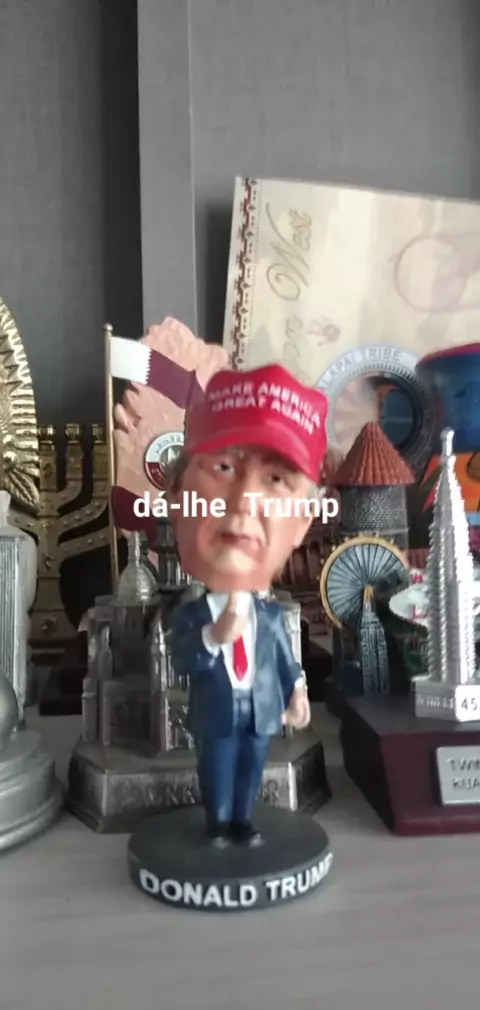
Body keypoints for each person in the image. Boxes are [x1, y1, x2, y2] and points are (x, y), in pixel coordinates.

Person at [167, 363, 328, 848]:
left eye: (276, 479)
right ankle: (218, 822)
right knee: (217, 765)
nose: (242, 502)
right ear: (178, 496)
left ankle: (242, 819)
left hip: (261, 711)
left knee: (251, 766)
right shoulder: (193, 615)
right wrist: (214, 636)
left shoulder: (271, 618)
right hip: (217, 713)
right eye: (223, 468)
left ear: (303, 522)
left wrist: (297, 692)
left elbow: (285, 661)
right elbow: (182, 657)